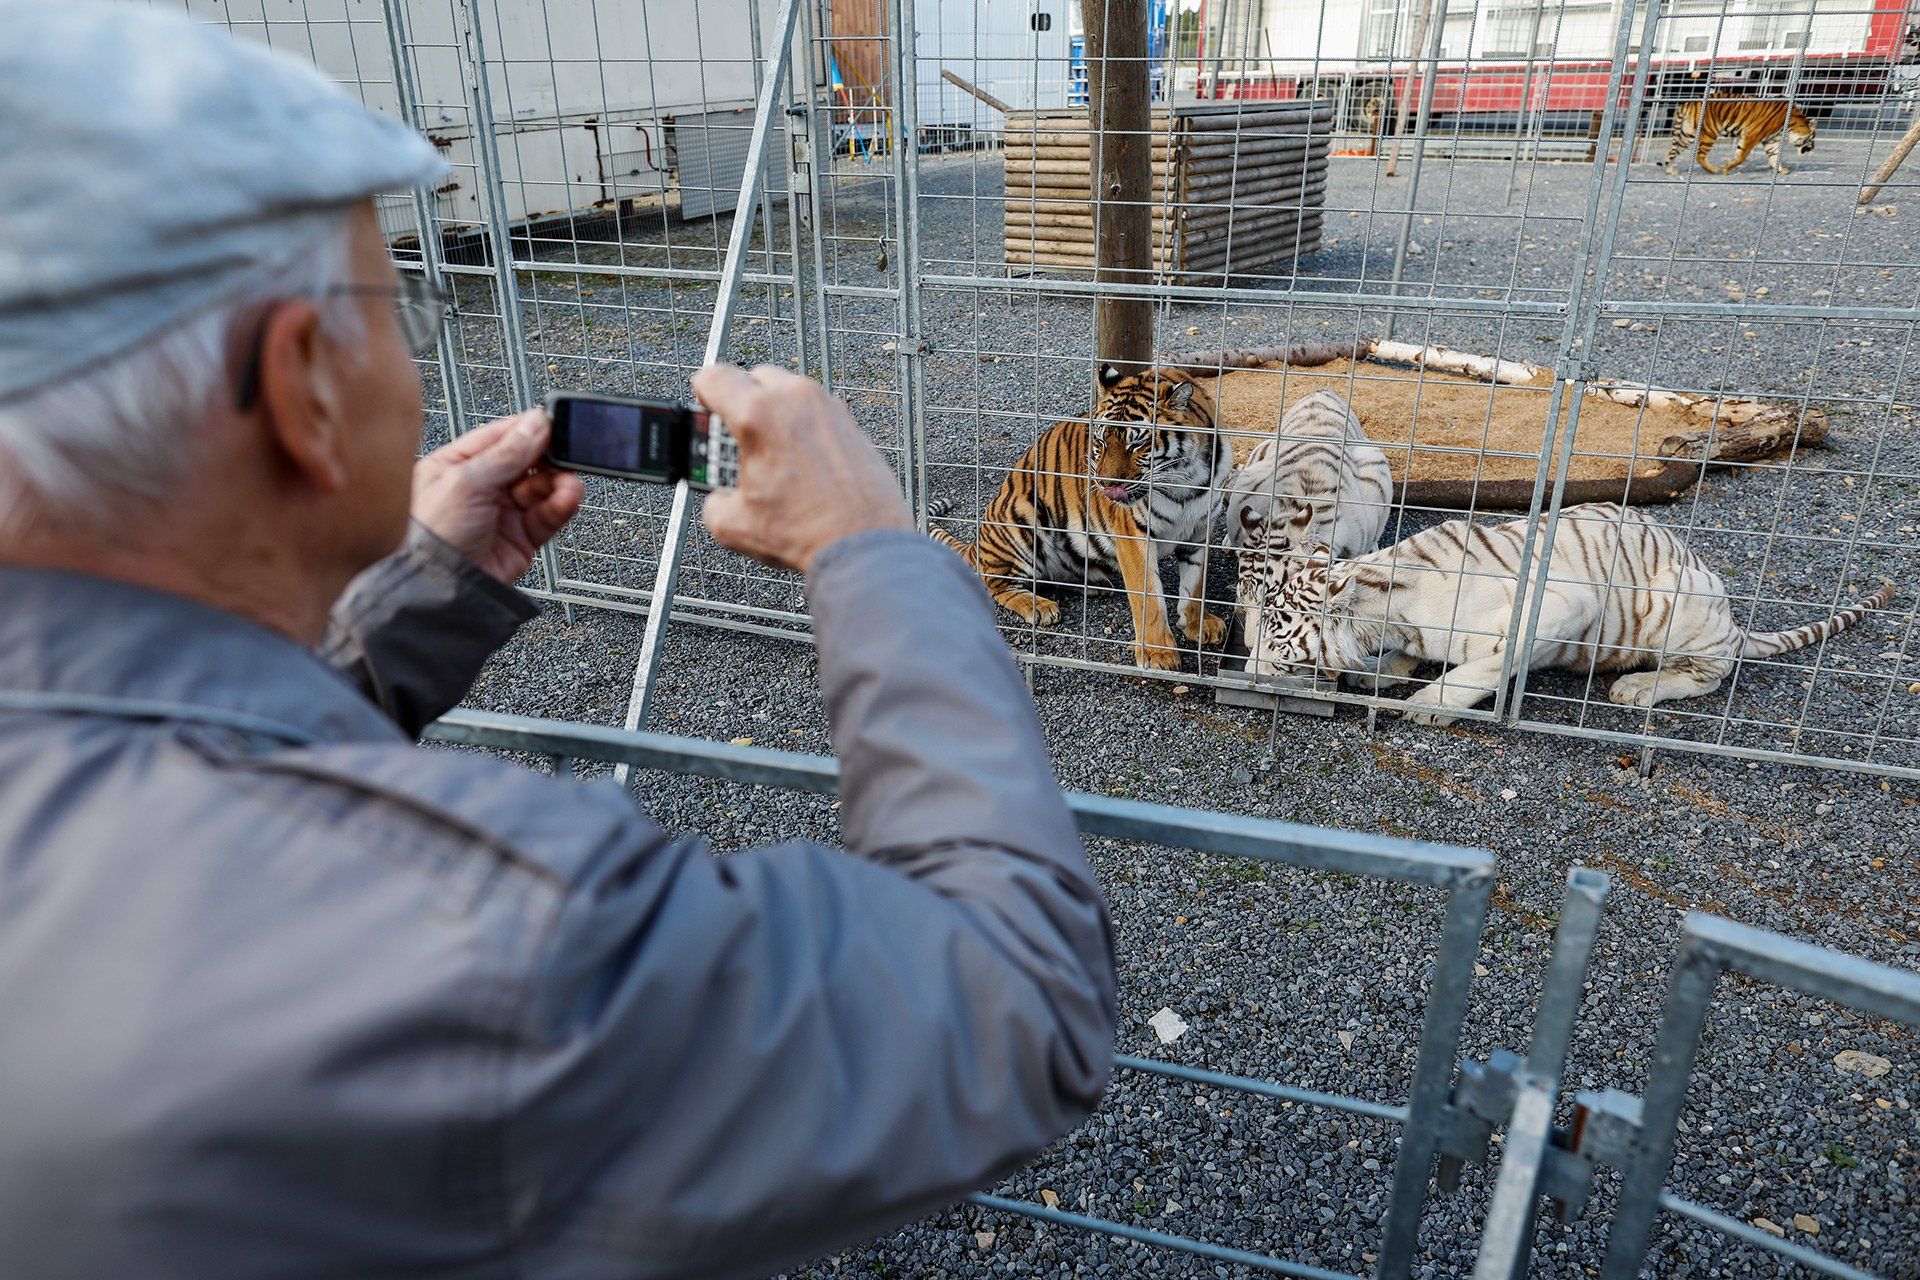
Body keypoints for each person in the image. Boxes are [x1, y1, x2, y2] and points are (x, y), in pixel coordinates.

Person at [0, 6, 1116, 1278]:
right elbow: (1016, 1001)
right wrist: (873, 550)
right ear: (306, 386)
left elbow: (180, 783)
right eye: (400, 308)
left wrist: (403, 612)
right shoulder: (472, 930)